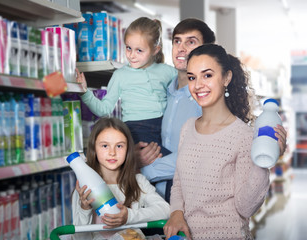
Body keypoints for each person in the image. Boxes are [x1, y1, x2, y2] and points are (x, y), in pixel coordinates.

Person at [136, 18, 287, 202]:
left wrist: (141, 171)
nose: (181, 48)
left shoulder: (205, 100)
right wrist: (136, 155)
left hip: (192, 197)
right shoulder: (165, 91)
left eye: (191, 42)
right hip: (156, 196)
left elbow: (194, 155)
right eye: (177, 41)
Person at [163, 44, 286, 239]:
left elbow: (245, 208)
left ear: (226, 78)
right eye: (192, 77)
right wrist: (176, 212)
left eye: (208, 75)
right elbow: (178, 183)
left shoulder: (243, 136)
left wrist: (263, 163)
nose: (197, 85)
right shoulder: (187, 127)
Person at [77, 17, 177, 157]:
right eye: (128, 48)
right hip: (136, 130)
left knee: (171, 163)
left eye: (139, 50)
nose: (131, 55)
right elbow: (103, 110)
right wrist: (84, 92)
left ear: (155, 50)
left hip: (166, 127)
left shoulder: (168, 71)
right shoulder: (120, 75)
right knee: (171, 161)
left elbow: (184, 94)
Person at [72, 117, 170, 240]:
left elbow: (165, 210)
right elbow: (79, 238)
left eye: (119, 146)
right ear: (94, 148)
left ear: (128, 149)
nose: (112, 152)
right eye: (104, 146)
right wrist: (84, 209)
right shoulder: (85, 189)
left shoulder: (138, 181)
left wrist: (129, 216)